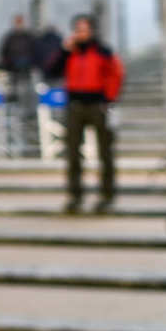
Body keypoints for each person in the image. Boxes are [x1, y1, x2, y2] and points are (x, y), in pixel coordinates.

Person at [56, 14, 124, 212]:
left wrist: (109, 99)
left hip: (97, 105)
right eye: (78, 30)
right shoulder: (70, 52)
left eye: (85, 30)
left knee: (105, 151)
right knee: (72, 151)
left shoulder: (103, 52)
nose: (81, 34)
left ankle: (107, 194)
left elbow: (116, 74)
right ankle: (75, 194)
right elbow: (51, 69)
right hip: (75, 105)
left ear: (92, 31)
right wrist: (63, 51)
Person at [0, 13, 40, 97]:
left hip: (28, 69)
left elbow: (36, 50)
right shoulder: (10, 37)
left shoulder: (29, 36)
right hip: (13, 69)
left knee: (28, 88)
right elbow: (3, 51)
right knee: (15, 89)